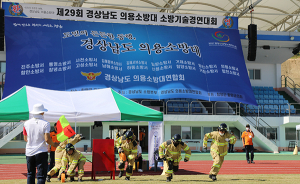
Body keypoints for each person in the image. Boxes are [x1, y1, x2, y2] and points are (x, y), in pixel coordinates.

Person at [23, 104, 59, 184]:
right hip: (41, 151)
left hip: (29, 152)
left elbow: (26, 139)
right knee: (41, 176)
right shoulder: (46, 123)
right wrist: (54, 144)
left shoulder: (26, 123)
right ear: (42, 112)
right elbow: (47, 139)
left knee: (30, 174)